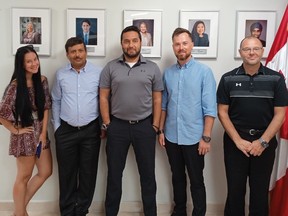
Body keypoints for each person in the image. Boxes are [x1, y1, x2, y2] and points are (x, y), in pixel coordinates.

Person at [217, 36, 288, 216]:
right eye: (247, 49)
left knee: (259, 192)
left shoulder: (276, 79)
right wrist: (238, 141)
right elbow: (222, 113)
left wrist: (263, 142)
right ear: (240, 52)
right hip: (235, 144)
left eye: (256, 48)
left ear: (262, 52)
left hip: (264, 144)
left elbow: (280, 114)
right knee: (235, 192)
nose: (251, 52)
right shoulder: (227, 79)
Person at [99, 25, 163, 216]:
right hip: (117, 127)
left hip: (145, 127)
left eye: (134, 40)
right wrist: (107, 124)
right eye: (126, 41)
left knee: (148, 175)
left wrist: (155, 126)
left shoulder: (152, 67)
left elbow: (158, 99)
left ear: (140, 42)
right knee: (114, 175)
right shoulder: (110, 67)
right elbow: (103, 97)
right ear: (122, 43)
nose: (131, 44)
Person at [158, 27, 216, 216]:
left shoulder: (204, 72)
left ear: (192, 45)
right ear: (173, 47)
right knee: (177, 178)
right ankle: (179, 211)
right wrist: (160, 131)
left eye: (184, 43)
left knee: (197, 180)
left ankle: (199, 213)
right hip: (172, 136)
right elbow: (164, 105)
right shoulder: (167, 73)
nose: (181, 47)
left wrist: (206, 138)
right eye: (177, 44)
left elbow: (210, 108)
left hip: (195, 138)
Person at [51, 37, 102, 216]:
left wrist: (102, 126)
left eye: (80, 50)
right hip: (66, 131)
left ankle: (81, 211)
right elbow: (56, 100)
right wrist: (57, 127)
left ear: (85, 52)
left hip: (90, 131)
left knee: (88, 174)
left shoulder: (98, 73)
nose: (77, 54)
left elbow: (102, 100)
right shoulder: (60, 74)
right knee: (67, 174)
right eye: (73, 51)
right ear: (67, 54)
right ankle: (66, 211)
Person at [0, 45, 52, 216]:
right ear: (21, 65)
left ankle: (18, 210)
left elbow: (45, 107)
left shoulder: (42, 80)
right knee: (24, 176)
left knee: (45, 171)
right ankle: (21, 213)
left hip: (40, 133)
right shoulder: (14, 86)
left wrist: (43, 133)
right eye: (28, 62)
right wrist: (15, 131)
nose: (34, 64)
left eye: (35, 59)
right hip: (25, 134)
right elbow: (2, 114)